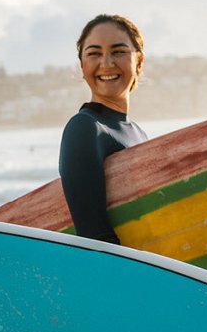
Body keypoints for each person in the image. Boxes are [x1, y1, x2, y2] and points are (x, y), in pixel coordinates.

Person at [59, 14, 149, 245]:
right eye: (94, 53)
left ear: (139, 61)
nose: (106, 63)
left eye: (118, 51)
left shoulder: (139, 134)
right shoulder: (85, 128)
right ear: (82, 66)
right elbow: (95, 238)